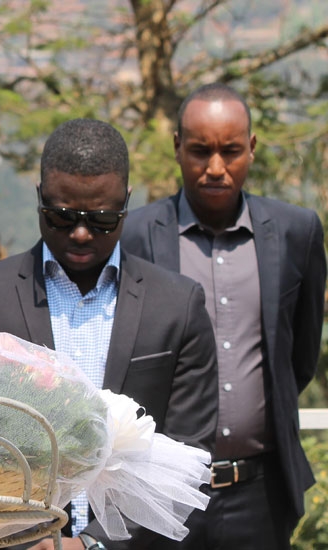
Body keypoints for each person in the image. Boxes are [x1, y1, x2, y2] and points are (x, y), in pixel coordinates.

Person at [0, 118, 219, 549]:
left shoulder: (177, 306)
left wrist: (93, 544)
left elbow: (187, 454)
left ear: (127, 202)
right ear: (39, 196)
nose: (81, 232)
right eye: (61, 215)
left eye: (104, 219)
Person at [121, 83, 327, 549]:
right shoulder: (135, 235)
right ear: (177, 147)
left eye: (231, 151)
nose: (215, 167)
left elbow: (298, 359)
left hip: (260, 495)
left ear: (251, 149)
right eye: (200, 151)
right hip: (162, 492)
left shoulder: (296, 232)